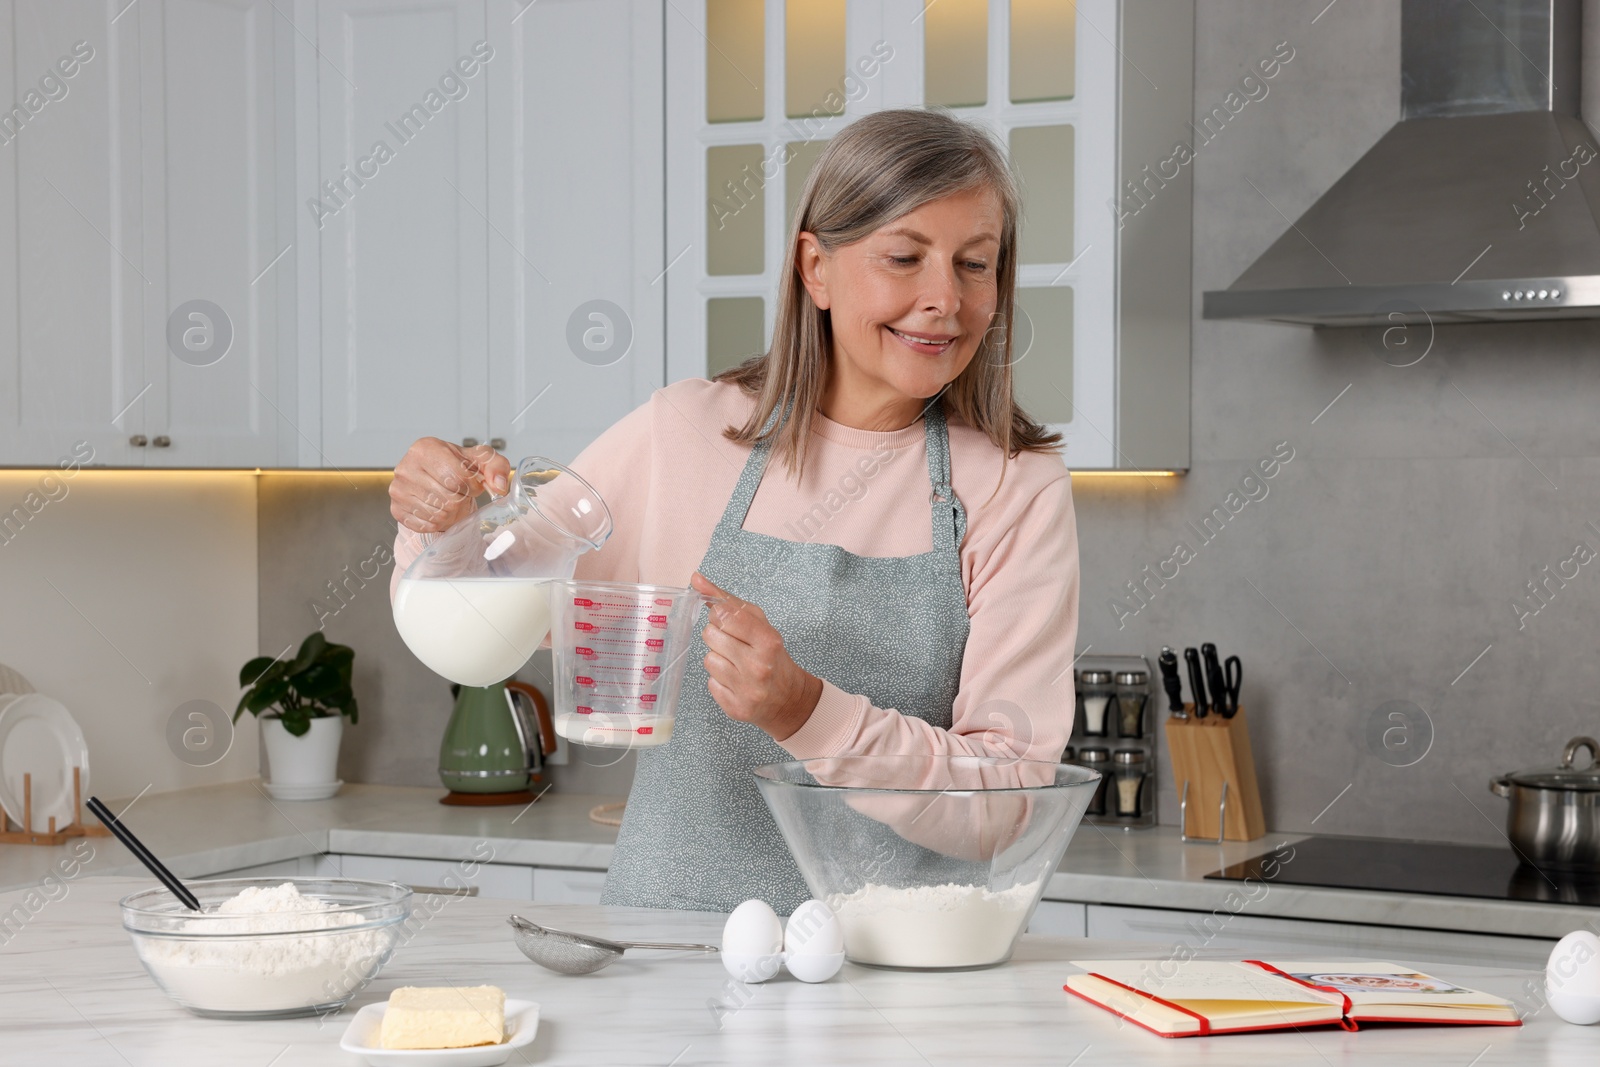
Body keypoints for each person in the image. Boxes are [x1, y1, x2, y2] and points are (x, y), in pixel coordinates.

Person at [388, 108, 1079, 914]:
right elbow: (482, 616)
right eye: (904, 257)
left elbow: (1010, 804)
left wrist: (809, 713)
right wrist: (438, 522)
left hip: (893, 981)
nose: (945, 299)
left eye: (975, 264)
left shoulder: (1012, 486)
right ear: (815, 268)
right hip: (667, 956)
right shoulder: (687, 433)